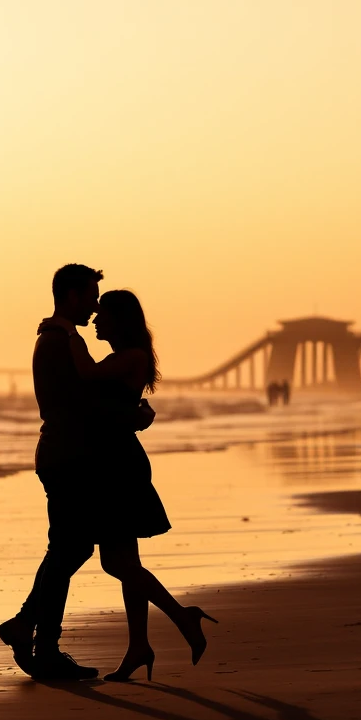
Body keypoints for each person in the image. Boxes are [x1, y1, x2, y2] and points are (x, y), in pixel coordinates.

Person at [44, 290, 217, 682]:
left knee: (115, 563)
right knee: (127, 562)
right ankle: (139, 645)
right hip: (111, 460)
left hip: (117, 466)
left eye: (103, 314)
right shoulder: (124, 357)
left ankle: (182, 616)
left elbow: (87, 376)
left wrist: (68, 330)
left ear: (121, 321)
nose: (97, 320)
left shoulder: (132, 357)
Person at [0, 264, 154, 681]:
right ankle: (38, 639)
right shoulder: (58, 341)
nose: (95, 305)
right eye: (90, 297)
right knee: (68, 549)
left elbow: (84, 398)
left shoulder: (61, 338)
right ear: (70, 297)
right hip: (66, 458)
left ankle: (34, 634)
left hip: (68, 456)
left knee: (70, 548)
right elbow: (79, 403)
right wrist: (131, 416)